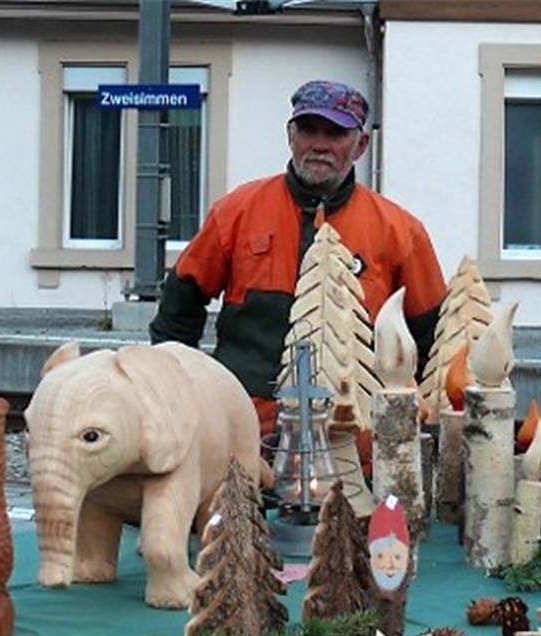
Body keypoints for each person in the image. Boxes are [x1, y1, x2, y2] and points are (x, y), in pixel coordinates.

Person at [149, 79, 446, 437]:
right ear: (290, 135)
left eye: (335, 133)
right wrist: (181, 394)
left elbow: (433, 343)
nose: (319, 145)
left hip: (358, 442)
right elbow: (177, 313)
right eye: (308, 130)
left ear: (361, 145)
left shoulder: (400, 231)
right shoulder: (237, 212)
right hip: (248, 431)